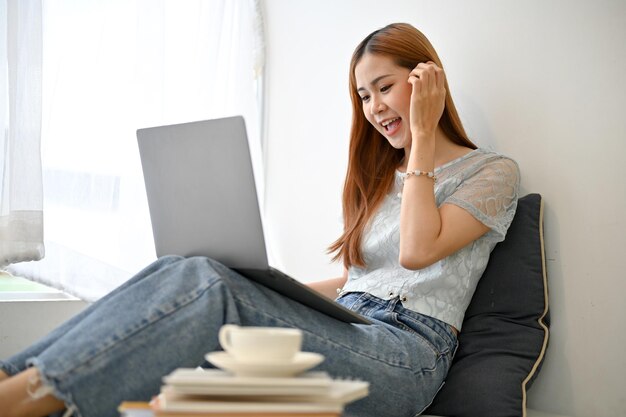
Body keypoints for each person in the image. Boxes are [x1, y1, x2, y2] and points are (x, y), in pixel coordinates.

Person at [0, 22, 519, 417]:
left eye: (384, 87)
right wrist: (268, 288)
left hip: (408, 356)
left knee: (208, 287)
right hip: (354, 327)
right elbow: (359, 281)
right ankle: (13, 378)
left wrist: (425, 135)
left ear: (426, 82)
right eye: (363, 95)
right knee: (189, 269)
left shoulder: (493, 172)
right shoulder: (387, 178)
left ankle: (24, 399)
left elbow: (417, 252)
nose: (374, 107)